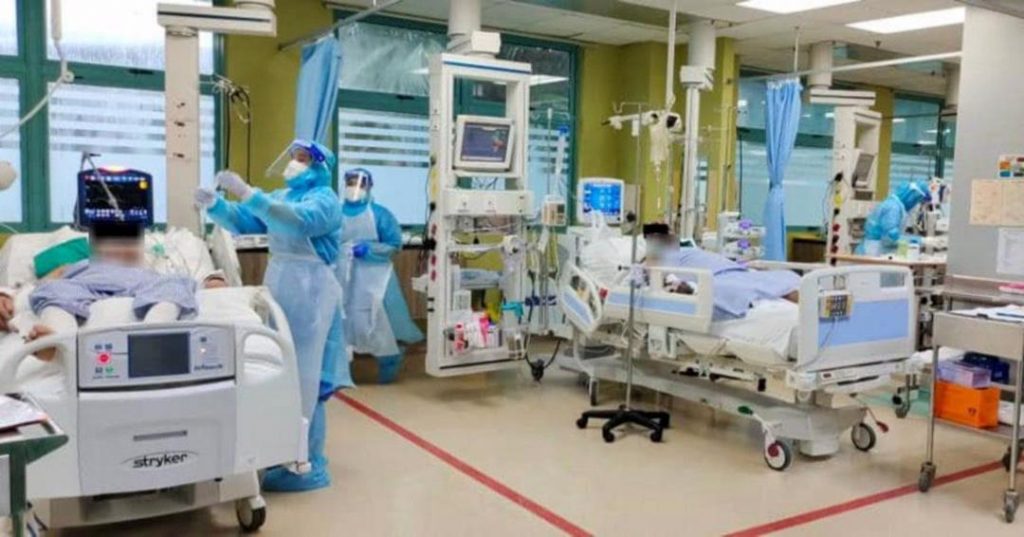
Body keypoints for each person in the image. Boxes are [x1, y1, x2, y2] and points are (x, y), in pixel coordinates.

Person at [195, 139, 349, 493]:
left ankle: (305, 463)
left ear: (320, 166)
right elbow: (248, 220)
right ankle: (281, 447)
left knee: (304, 374)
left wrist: (248, 192)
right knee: (279, 367)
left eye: (303, 159)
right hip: (280, 278)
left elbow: (295, 223)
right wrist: (216, 205)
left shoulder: (325, 200)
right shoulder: (284, 194)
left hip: (311, 287)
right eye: (294, 157)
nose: (295, 163)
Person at [339, 168, 423, 384]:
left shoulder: (380, 214)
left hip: (375, 276)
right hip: (343, 275)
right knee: (343, 319)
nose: (355, 187)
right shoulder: (335, 213)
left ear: (370, 186)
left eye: (361, 183)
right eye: (351, 182)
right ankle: (341, 370)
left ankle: (389, 359)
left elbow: (394, 244)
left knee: (379, 320)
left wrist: (369, 250)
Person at [643, 223, 800, 320]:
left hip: (733, 270)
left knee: (780, 277)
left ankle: (806, 301)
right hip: (716, 278)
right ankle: (800, 304)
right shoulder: (659, 256)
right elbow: (654, 273)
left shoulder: (688, 249)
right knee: (737, 289)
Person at [860, 180, 930, 255]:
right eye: (916, 199)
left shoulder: (896, 206)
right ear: (910, 194)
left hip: (879, 250)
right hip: (874, 251)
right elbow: (890, 238)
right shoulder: (893, 208)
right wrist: (922, 240)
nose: (915, 203)